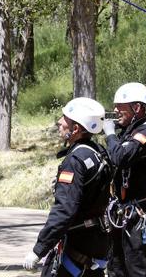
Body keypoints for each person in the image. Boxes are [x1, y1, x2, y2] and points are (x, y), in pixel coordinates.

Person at [24, 97, 111, 276]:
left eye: (65, 119)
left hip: (78, 246)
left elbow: (64, 210)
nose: (59, 122)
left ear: (76, 129)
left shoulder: (75, 161)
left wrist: (38, 250)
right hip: (97, 241)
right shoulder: (98, 152)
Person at [103, 82, 146, 277]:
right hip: (118, 212)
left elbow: (121, 157)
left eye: (119, 106)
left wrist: (110, 135)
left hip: (136, 213)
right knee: (115, 267)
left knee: (138, 268)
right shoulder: (127, 133)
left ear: (136, 107)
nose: (115, 110)